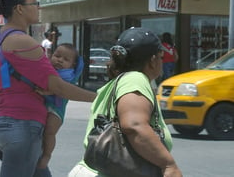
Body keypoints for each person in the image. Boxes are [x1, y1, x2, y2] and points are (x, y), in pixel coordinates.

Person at [0, 0, 96, 177]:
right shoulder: (24, 43)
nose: (39, 7)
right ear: (20, 8)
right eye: (35, 3)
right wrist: (99, 97)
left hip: (3, 126)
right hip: (24, 127)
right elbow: (58, 87)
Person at [68, 27, 183, 177]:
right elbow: (134, 125)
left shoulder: (120, 81)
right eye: (161, 57)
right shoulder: (135, 79)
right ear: (153, 60)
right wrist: (168, 165)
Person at [37, 43, 83, 172]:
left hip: (56, 110)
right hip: (45, 107)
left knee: (50, 132)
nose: (60, 60)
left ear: (72, 65)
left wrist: (48, 92)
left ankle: (47, 155)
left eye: (66, 59)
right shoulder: (48, 68)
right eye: (57, 56)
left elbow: (60, 88)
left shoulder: (68, 74)